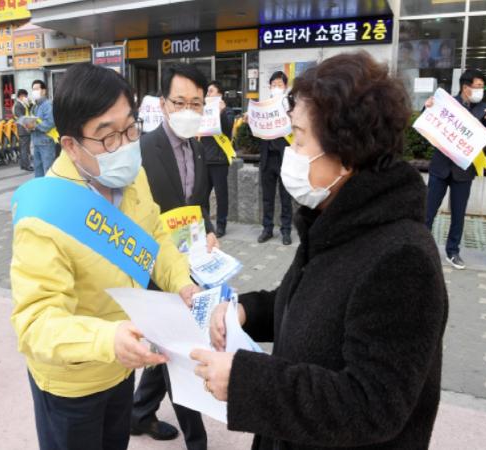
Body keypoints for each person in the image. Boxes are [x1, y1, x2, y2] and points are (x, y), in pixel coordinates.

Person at [190, 51, 448, 450]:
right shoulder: (335, 219)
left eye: (299, 137)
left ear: (346, 152)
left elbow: (372, 404)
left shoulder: (402, 260)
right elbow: (312, 306)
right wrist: (247, 312)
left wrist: (246, 381)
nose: (291, 150)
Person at [10, 63, 200, 450]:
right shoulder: (43, 216)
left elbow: (155, 236)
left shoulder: (132, 176)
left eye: (130, 128)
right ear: (70, 145)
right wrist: (108, 339)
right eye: (107, 136)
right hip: (73, 382)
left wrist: (182, 282)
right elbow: (36, 323)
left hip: (121, 365)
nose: (125, 145)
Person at [130, 63, 216, 450]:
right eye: (179, 102)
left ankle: (138, 414)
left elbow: (196, 204)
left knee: (166, 347)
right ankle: (197, 442)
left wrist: (208, 231)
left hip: (187, 266)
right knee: (179, 354)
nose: (187, 110)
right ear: (163, 103)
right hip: (153, 268)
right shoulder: (142, 149)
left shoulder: (197, 147)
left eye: (195, 103)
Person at [425, 69, 486, 269]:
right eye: (478, 86)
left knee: (458, 214)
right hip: (440, 168)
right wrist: (427, 107)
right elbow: (429, 122)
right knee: (428, 211)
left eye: (482, 87)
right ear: (465, 87)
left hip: (464, 171)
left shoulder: (484, 109)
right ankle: (422, 248)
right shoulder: (446, 104)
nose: (481, 90)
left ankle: (453, 251)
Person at [257, 71, 293, 245]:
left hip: (284, 157)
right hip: (267, 157)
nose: (276, 87)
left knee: (286, 197)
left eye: (279, 84)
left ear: (285, 87)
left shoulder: (290, 105)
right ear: (269, 87)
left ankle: (286, 230)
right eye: (273, 84)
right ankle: (267, 229)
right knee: (267, 198)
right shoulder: (263, 106)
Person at [203, 80, 236, 237]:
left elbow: (227, 129)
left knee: (221, 195)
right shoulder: (203, 110)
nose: (207, 94)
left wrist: (221, 112)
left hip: (219, 159)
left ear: (219, 94)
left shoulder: (228, 111)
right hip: (204, 159)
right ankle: (206, 225)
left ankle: (221, 225)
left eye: (211, 91)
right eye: (207, 92)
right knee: (203, 195)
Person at [28, 79, 57, 177]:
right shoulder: (35, 106)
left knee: (48, 170)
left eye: (36, 89)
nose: (34, 91)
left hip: (46, 142)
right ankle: (40, 186)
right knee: (38, 170)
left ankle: (50, 187)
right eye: (33, 89)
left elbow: (50, 123)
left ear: (44, 91)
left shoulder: (48, 105)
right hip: (36, 142)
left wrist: (35, 126)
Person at [12, 89, 34, 172]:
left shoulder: (23, 104)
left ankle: (23, 165)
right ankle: (26, 165)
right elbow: (21, 117)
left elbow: (29, 110)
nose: (26, 98)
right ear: (21, 96)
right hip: (23, 129)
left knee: (24, 148)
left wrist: (30, 103)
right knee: (25, 148)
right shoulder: (18, 105)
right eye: (25, 96)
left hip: (25, 128)